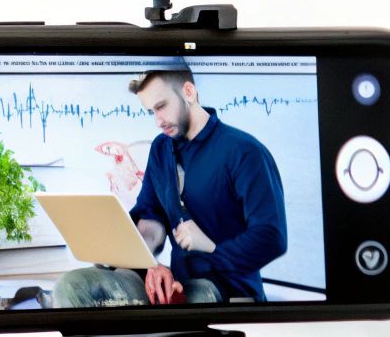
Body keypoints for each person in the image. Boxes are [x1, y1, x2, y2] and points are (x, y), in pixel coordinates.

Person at [55, 67, 287, 307]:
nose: (158, 121)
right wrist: (145, 261)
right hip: (174, 283)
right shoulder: (161, 148)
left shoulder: (244, 152)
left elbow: (271, 238)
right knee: (72, 287)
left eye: (161, 106)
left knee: (188, 302)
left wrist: (211, 248)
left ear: (188, 92)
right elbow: (150, 214)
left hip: (224, 288)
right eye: (150, 111)